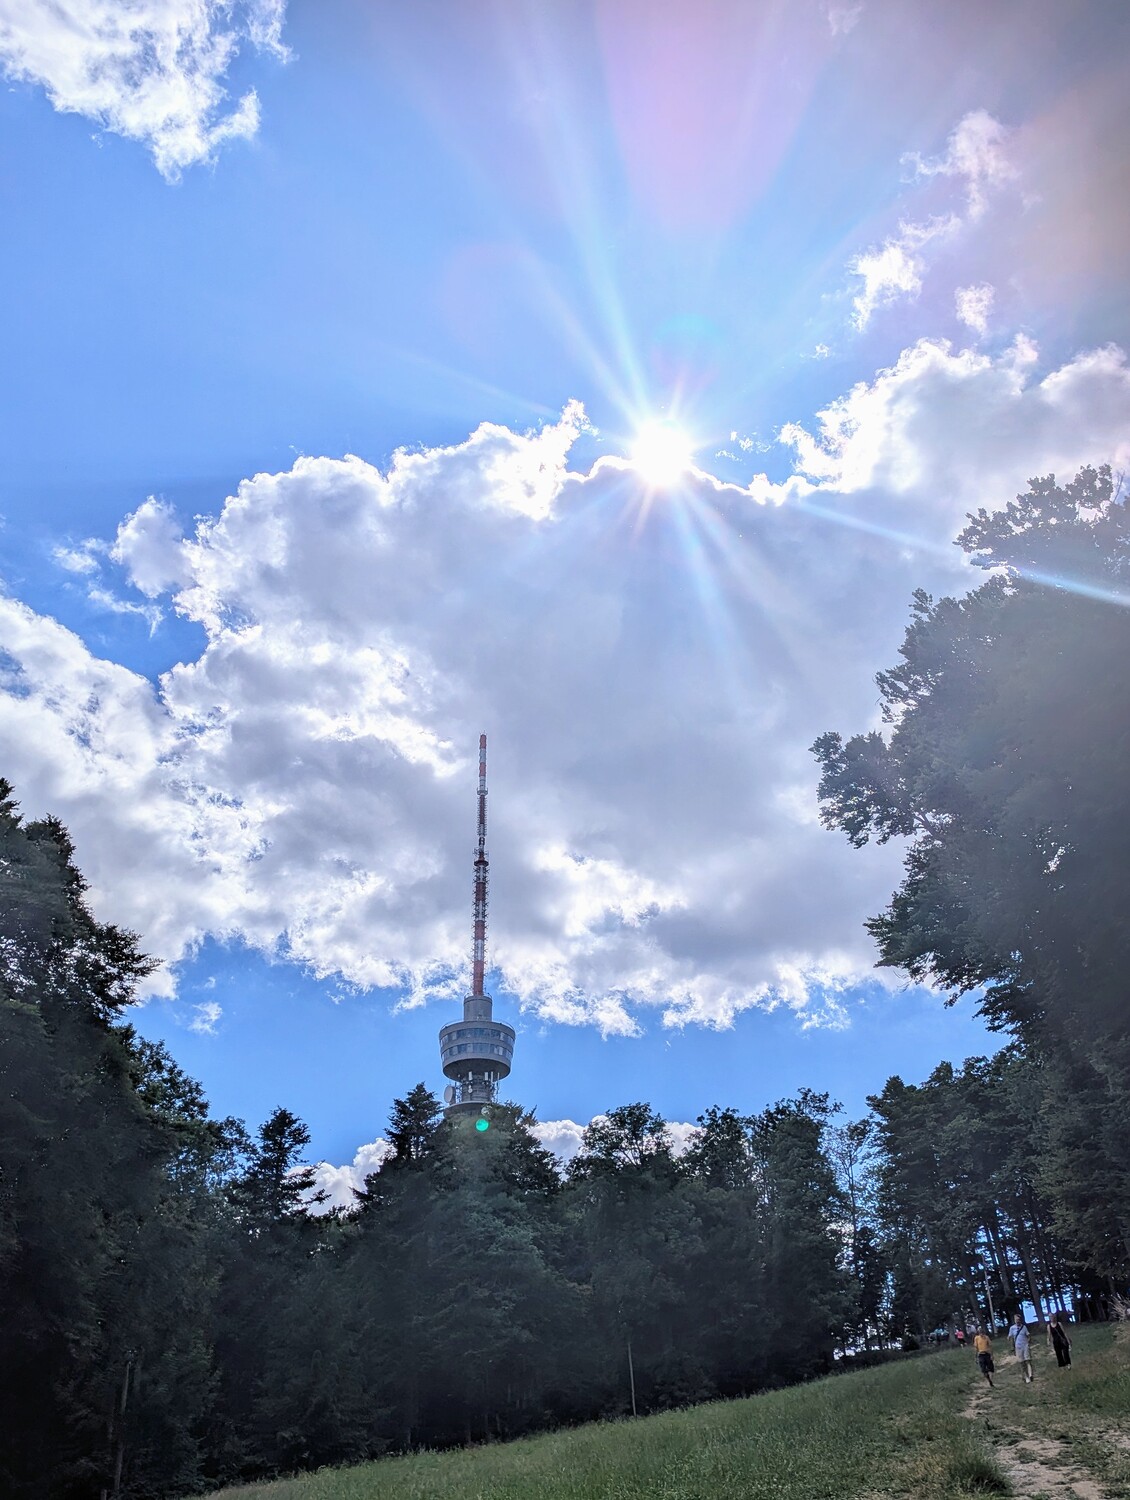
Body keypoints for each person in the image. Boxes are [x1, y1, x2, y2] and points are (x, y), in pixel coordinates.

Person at [1007, 1314, 1034, 1383]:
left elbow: (1028, 1335)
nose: (1017, 1321)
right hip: (1018, 1347)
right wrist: (1011, 1345)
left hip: (1025, 1346)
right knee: (1022, 1363)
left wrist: (1028, 1342)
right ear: (1014, 1320)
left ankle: (1030, 1375)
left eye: (1018, 1320)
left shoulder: (1024, 1327)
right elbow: (1009, 1337)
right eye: (1016, 1320)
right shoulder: (1012, 1328)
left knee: (1028, 1360)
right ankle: (1026, 1376)